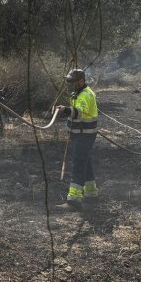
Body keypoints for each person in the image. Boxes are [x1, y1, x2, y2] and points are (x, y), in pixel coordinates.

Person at [55, 68, 99, 211]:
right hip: (81, 135)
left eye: (73, 82)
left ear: (81, 81)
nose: (71, 84)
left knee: (78, 164)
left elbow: (78, 113)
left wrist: (65, 110)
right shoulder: (79, 93)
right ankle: (91, 194)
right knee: (85, 162)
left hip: (83, 135)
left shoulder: (85, 95)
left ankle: (73, 201)